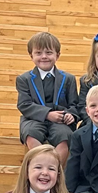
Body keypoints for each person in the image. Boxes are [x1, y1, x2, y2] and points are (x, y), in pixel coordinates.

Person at [15, 31, 78, 166]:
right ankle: (41, 166)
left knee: (65, 136)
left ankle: (55, 170)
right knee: (30, 133)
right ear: (31, 56)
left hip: (60, 121)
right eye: (38, 53)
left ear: (57, 55)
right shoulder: (24, 79)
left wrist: (70, 115)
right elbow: (24, 104)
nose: (44, 57)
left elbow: (74, 104)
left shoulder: (68, 79)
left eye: (49, 52)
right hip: (34, 119)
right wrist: (48, 114)